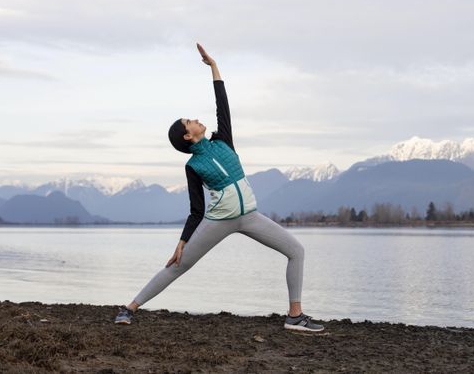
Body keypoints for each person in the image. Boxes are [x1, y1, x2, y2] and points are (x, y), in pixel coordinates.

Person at [114, 43, 324, 332]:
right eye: (190, 121)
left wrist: (213, 66)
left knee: (296, 250)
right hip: (218, 222)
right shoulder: (193, 167)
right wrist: (182, 241)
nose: (196, 119)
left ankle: (294, 316)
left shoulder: (223, 139)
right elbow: (196, 210)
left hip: (251, 217)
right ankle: (128, 308)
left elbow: (221, 104)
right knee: (179, 265)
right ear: (188, 136)